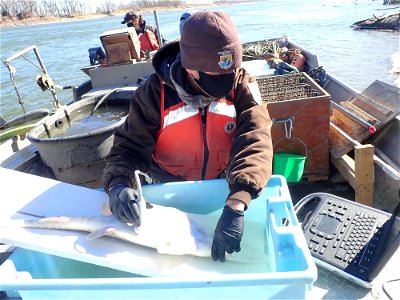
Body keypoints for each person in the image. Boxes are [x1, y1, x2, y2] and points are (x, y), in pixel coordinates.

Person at [103, 10, 273, 262]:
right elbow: (129, 148)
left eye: (229, 72)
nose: (224, 84)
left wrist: (238, 200)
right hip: (166, 186)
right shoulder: (152, 93)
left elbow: (255, 137)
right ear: (190, 66)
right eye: (214, 77)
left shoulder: (242, 84)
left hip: (222, 185)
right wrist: (118, 184)